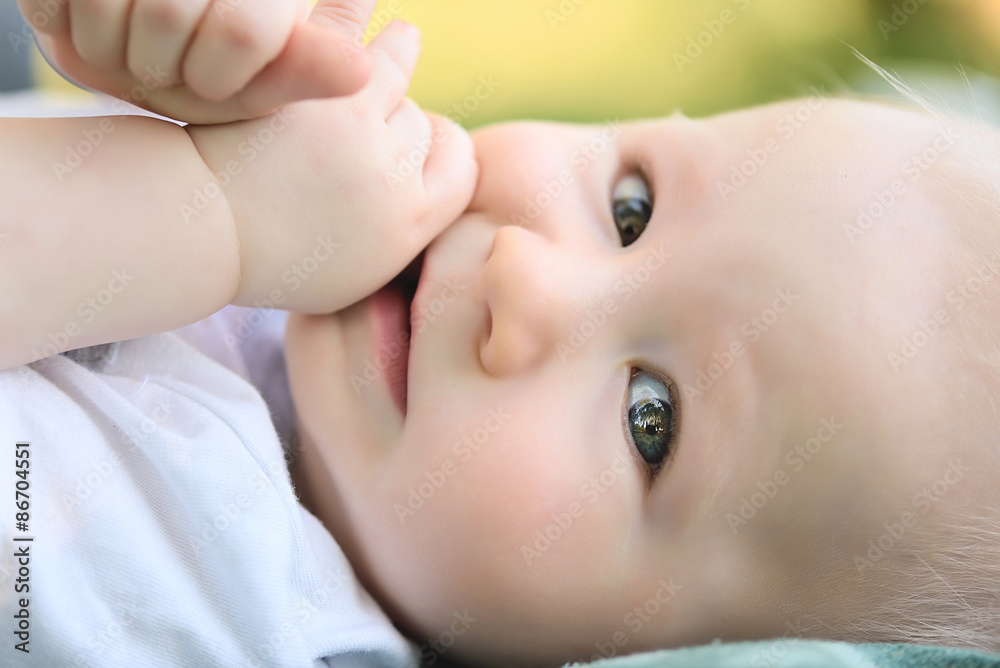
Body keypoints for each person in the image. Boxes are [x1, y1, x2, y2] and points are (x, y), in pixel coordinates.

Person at [4, 2, 1000, 667]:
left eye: (649, 416)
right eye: (631, 206)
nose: (525, 274)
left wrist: (209, 213)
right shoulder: (308, 282)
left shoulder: (220, 607)